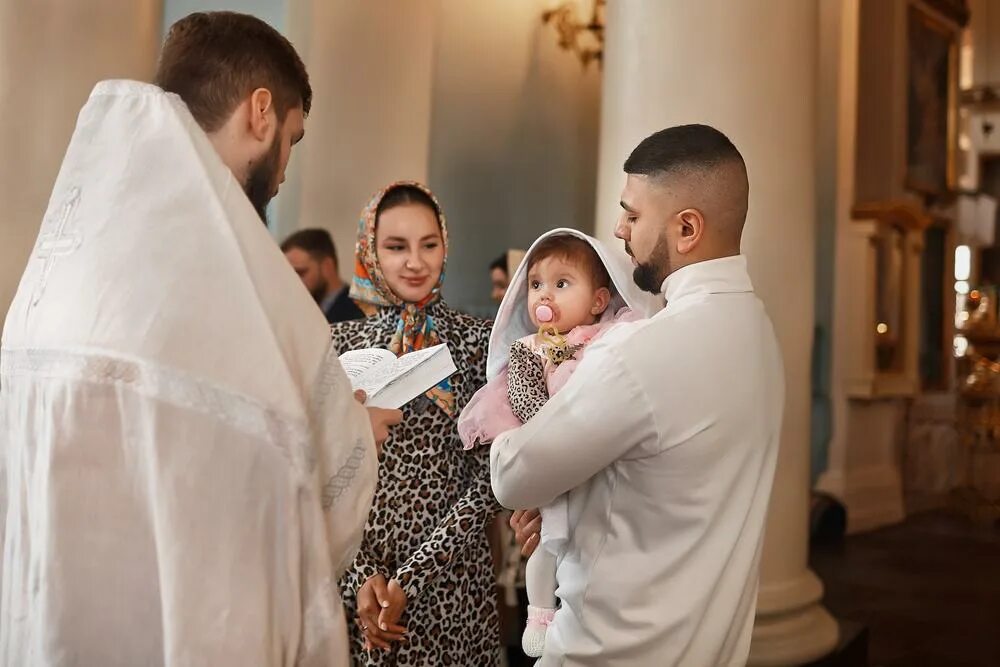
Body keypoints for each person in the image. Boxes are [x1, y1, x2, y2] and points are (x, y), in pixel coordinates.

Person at [0, 12, 400, 667]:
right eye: (292, 141)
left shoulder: (72, 253)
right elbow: (318, 500)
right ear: (261, 112)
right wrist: (360, 426)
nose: (283, 173)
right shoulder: (240, 281)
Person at [496, 124, 784, 666]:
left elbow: (513, 475)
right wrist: (573, 502)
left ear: (687, 228)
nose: (618, 229)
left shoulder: (644, 353)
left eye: (632, 214)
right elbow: (671, 488)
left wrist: (520, 405)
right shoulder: (759, 331)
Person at [459, 229, 659, 657]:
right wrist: (556, 428)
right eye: (535, 285)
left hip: (597, 460)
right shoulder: (528, 350)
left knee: (588, 541)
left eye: (561, 284)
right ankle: (539, 613)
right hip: (550, 448)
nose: (544, 295)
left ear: (599, 301)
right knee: (547, 542)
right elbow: (525, 400)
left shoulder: (608, 342)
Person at [331, 181, 502, 665]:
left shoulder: (480, 342)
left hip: (453, 578)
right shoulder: (339, 342)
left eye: (429, 244)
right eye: (396, 246)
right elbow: (325, 468)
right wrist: (361, 574)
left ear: (445, 245)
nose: (415, 261)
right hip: (360, 580)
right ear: (370, 249)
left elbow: (493, 476)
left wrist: (415, 575)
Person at [282, 227, 365, 322]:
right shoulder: (297, 310)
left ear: (327, 266)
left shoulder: (359, 315)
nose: (294, 282)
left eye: (300, 273)